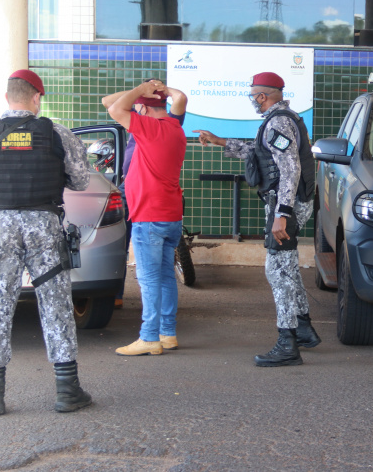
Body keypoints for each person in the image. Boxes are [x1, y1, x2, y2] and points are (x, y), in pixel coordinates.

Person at [0, 69, 93, 415]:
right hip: (44, 226)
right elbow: (80, 180)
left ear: (7, 98)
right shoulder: (58, 134)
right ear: (37, 98)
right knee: (56, 305)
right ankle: (67, 390)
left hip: (2, 227)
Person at [193, 72, 319, 367]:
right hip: (286, 204)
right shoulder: (283, 119)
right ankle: (303, 329)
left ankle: (287, 343)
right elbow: (262, 154)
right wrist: (220, 141)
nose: (252, 100)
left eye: (253, 96)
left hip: (285, 207)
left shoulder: (279, 121)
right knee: (286, 268)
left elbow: (290, 170)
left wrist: (283, 215)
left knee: (278, 272)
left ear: (263, 96)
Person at [106, 79, 187, 356]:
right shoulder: (175, 128)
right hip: (169, 214)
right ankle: (167, 333)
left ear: (142, 109)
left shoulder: (149, 128)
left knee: (149, 279)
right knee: (165, 276)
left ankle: (149, 337)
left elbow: (114, 109)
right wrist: (157, 91)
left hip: (149, 216)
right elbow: (111, 103)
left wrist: (142, 91)